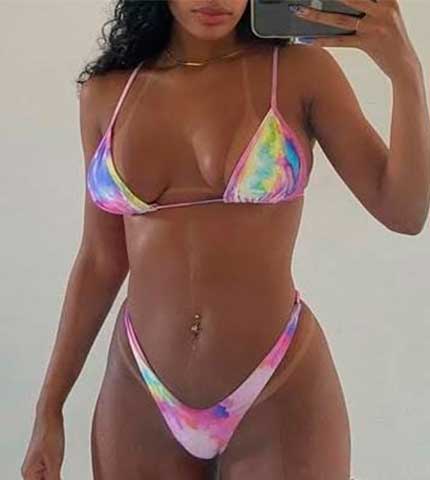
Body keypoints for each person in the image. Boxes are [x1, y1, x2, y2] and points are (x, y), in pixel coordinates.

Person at [21, 1, 429, 479]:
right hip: (139, 391)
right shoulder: (107, 93)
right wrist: (49, 408)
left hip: (278, 386)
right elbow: (100, 260)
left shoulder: (299, 73)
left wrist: (405, 72)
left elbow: (404, 212)